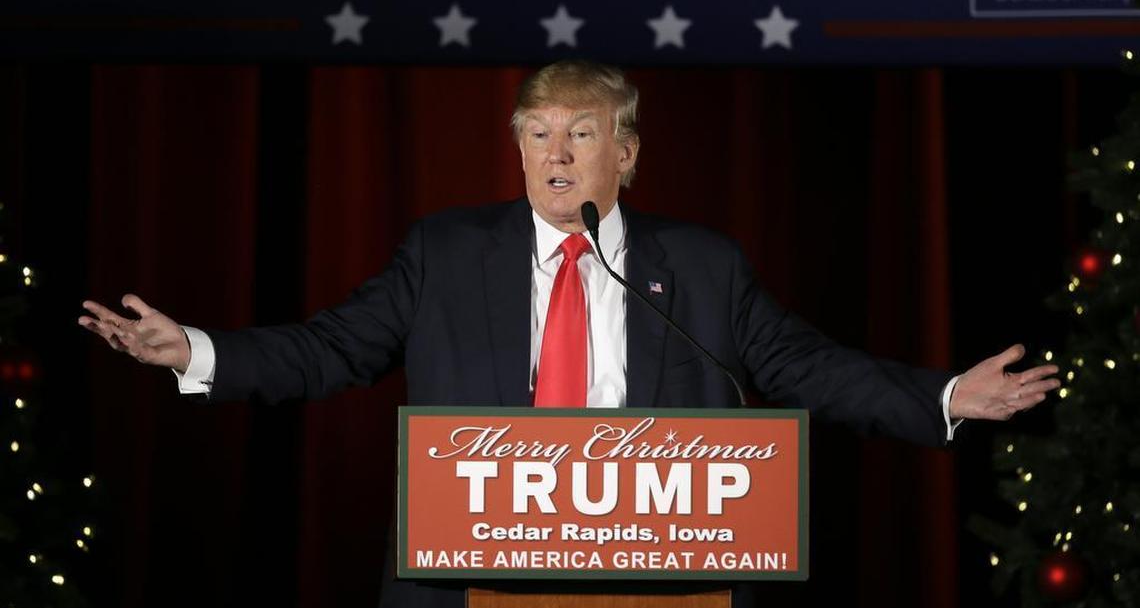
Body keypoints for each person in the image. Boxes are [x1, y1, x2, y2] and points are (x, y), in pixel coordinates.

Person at [78, 60, 1060, 607]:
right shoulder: (442, 253)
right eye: (537, 132)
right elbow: (329, 346)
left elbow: (803, 365)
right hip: (478, 581)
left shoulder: (703, 264)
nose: (555, 152)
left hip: (660, 584)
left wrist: (942, 394)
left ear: (625, 153)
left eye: (580, 132)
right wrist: (197, 350)